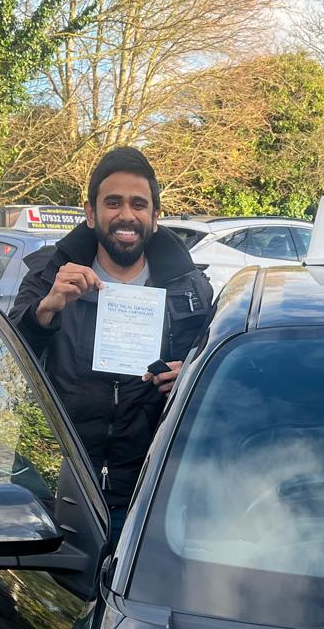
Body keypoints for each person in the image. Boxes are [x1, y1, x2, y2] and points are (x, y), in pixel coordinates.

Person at [11, 147, 212, 531]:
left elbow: (211, 384)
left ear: (155, 217)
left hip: (150, 493)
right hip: (56, 484)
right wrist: (46, 309)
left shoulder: (189, 289)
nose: (126, 215)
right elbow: (10, 363)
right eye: (113, 202)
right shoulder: (47, 278)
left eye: (139, 204)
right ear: (91, 213)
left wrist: (188, 378)